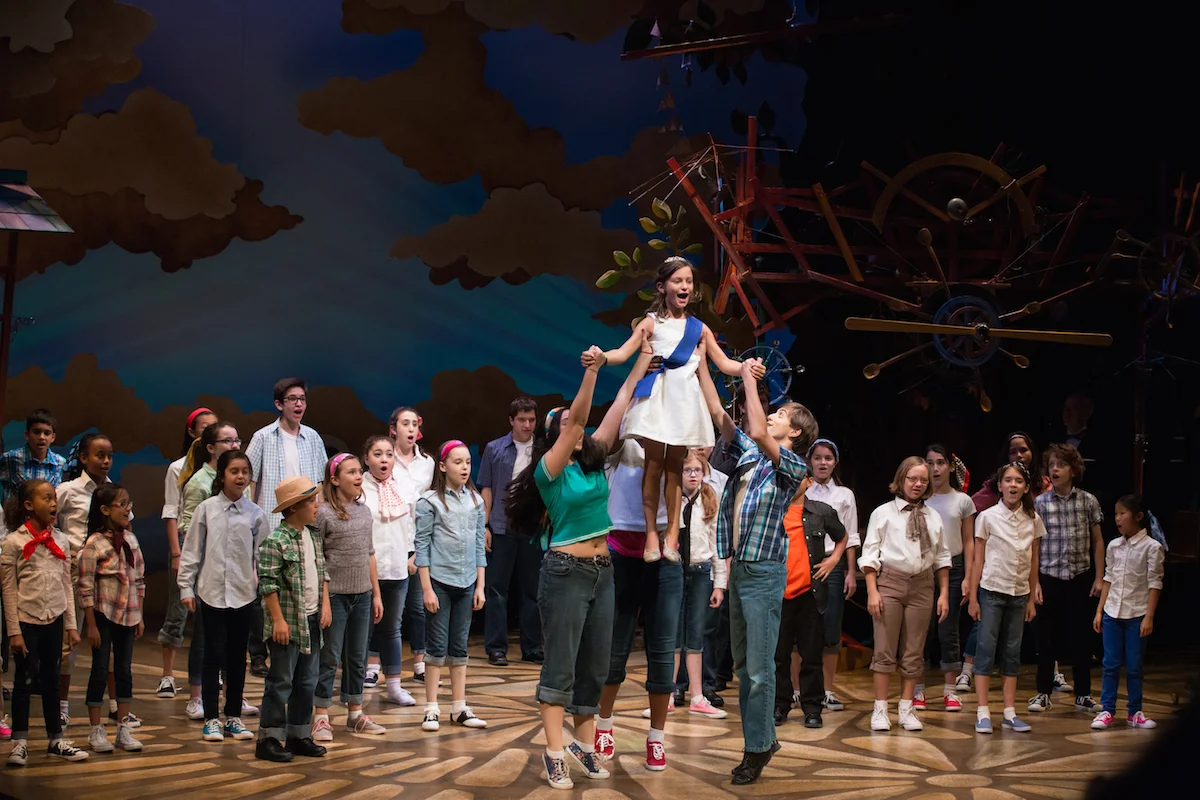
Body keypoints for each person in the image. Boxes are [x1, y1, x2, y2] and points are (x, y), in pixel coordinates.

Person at [506, 342, 651, 790]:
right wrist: (592, 372)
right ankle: (554, 752)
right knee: (561, 667)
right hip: (565, 572)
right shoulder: (549, 472)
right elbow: (579, 422)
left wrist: (642, 360)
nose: (579, 428)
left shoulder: (592, 465)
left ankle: (584, 747)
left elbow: (621, 401)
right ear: (556, 434)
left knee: (595, 666)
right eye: (568, 424)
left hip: (603, 572)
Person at [598, 257, 765, 564]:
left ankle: (672, 534)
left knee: (675, 466)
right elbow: (622, 352)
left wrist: (747, 366)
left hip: (685, 403)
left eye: (688, 281)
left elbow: (724, 363)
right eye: (678, 281)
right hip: (656, 400)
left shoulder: (699, 329)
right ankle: (652, 533)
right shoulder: (651, 323)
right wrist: (601, 358)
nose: (685, 286)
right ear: (662, 287)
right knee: (653, 464)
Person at [704, 357, 814, 785]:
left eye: (781, 414)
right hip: (741, 569)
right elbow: (721, 416)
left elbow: (757, 430)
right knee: (743, 665)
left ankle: (758, 746)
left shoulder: (794, 466)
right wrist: (699, 360)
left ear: (795, 432)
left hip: (764, 572)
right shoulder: (751, 455)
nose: (773, 415)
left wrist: (750, 381)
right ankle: (762, 739)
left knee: (759, 669)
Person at [595, 434, 680, 767]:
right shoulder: (626, 440)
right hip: (621, 551)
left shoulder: (674, 436)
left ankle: (657, 738)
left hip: (665, 554)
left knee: (662, 648)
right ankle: (604, 725)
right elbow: (606, 439)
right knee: (615, 646)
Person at [178, 450, 268, 744]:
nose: (240, 477)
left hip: (243, 595)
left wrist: (265, 590)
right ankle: (211, 719)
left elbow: (262, 556)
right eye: (234, 471)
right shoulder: (206, 509)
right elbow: (192, 551)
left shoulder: (255, 514)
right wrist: (186, 587)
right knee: (212, 656)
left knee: (236, 657)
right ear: (222, 475)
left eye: (245, 472)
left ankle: (233, 716)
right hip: (211, 593)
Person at [0, 479, 89, 765]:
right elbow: (8, 591)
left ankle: (55, 739)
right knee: (24, 681)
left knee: (52, 679)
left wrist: (71, 625)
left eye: (54, 498)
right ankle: (20, 741)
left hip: (54, 619)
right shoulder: (13, 543)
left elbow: (66, 586)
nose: (53, 503)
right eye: (46, 498)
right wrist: (14, 632)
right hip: (27, 621)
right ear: (29, 505)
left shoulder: (61, 540)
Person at [861, 456, 951, 733]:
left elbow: (942, 557)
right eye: (912, 478)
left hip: (922, 585)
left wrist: (943, 594)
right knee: (884, 648)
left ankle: (906, 708)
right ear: (901, 480)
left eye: (923, 480)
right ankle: (880, 709)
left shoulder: (932, 516)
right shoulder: (883, 513)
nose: (918, 484)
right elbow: (870, 554)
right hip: (890, 582)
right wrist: (872, 591)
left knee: (914, 650)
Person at [160, 420, 243, 719]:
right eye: (227, 441)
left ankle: (232, 695)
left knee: (233, 637)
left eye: (237, 441)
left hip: (235, 569)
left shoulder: (237, 480)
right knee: (205, 635)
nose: (234, 446)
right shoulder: (199, 483)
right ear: (210, 447)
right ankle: (196, 696)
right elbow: (189, 530)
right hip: (208, 567)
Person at [245, 378, 326, 677]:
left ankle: (302, 645)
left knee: (300, 582)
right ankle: (258, 652)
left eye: (302, 398)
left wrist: (318, 516)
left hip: (302, 522)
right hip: (271, 521)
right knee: (266, 585)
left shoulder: (312, 437)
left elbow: (319, 482)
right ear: (279, 404)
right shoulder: (263, 437)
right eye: (292, 399)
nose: (299, 404)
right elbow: (250, 480)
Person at [255, 476, 331, 762]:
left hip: (311, 620)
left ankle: (298, 734)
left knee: (306, 681)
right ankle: (269, 738)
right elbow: (268, 583)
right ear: (294, 507)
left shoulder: (313, 536)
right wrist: (278, 620)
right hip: (288, 622)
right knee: (281, 682)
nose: (317, 505)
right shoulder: (276, 541)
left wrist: (325, 605)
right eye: (311, 501)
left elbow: (322, 573)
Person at [415, 440, 488, 732]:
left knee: (459, 646)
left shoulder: (476, 501)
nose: (464, 467)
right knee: (436, 646)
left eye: (468, 462)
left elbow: (480, 546)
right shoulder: (429, 501)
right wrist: (427, 589)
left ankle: (459, 707)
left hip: (467, 582)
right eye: (458, 462)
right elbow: (421, 547)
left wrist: (480, 586)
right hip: (440, 582)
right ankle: (431, 708)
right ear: (443, 466)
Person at [312, 454, 386, 741]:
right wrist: (324, 600)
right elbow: (318, 559)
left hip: (362, 595)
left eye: (359, 472)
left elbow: (369, 554)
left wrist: (376, 594)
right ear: (334, 479)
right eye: (351, 472)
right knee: (329, 656)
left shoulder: (364, 512)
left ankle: (355, 712)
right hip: (335, 596)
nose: (358, 477)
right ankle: (321, 715)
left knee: (357, 656)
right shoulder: (323, 514)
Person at [968, 462, 1044, 735]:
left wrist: (1032, 597)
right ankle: (983, 711)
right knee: (986, 649)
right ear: (999, 485)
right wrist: (973, 597)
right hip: (992, 591)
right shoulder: (987, 517)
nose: (1013, 485)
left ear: (1026, 487)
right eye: (1008, 480)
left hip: (1019, 594)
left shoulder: (1033, 519)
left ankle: (1010, 712)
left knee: (1012, 652)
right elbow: (978, 560)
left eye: (1018, 481)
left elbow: (1033, 560)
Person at [1029, 442, 1105, 714]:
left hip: (1079, 577)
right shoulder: (1040, 503)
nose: (1055, 469)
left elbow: (1097, 541)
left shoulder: (1087, 501)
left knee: (1082, 639)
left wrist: (1099, 577)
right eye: (1051, 465)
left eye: (1061, 465)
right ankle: (1043, 693)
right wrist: (1034, 582)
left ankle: (1083, 693)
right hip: (1049, 576)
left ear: (1073, 470)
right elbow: (1034, 545)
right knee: (1046, 639)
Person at [365, 407, 436, 689]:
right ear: (393, 429)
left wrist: (418, 551)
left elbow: (423, 510)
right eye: (405, 423)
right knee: (377, 609)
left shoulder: (427, 463)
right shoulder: (379, 466)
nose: (410, 428)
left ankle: (419, 664)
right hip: (382, 546)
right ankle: (372, 666)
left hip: (411, 543)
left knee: (416, 608)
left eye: (414, 424)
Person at [775, 474, 846, 729]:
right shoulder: (774, 510)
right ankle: (780, 705)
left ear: (809, 481)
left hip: (810, 594)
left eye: (798, 477)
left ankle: (813, 708)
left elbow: (842, 536)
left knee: (812, 655)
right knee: (779, 656)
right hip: (779, 593)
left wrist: (833, 560)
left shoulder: (821, 511)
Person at [80, 483, 146, 754]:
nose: (128, 509)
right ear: (105, 510)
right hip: (103, 615)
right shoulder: (94, 543)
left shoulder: (131, 540)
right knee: (99, 670)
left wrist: (140, 615)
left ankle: (123, 729)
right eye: (122, 504)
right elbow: (85, 586)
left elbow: (139, 580)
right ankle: (95, 730)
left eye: (129, 503)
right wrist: (91, 625)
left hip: (128, 615)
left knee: (124, 671)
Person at [55, 433, 115, 728]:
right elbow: (48, 520)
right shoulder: (68, 490)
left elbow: (122, 526)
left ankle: (115, 706)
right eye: (99, 455)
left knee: (110, 640)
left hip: (106, 573)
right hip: (74, 571)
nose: (105, 461)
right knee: (70, 639)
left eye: (109, 456)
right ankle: (61, 705)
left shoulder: (112, 491)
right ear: (83, 458)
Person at [478, 397, 543, 666]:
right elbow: (487, 488)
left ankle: (533, 647)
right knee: (497, 589)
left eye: (531, 420)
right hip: (501, 526)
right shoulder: (494, 449)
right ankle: (496, 648)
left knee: (532, 590)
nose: (527, 425)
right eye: (522, 420)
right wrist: (484, 526)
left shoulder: (543, 450)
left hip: (532, 528)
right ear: (511, 420)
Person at [1091, 494, 1164, 730]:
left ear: (1138, 516)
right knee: (1110, 663)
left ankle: (1135, 712)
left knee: (1134, 666)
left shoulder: (1152, 548)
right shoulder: (1114, 546)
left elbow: (1155, 583)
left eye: (1123, 513)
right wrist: (1100, 611)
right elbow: (1108, 578)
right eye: (1116, 514)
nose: (1118, 518)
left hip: (1137, 614)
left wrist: (1149, 617)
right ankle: (1107, 709)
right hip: (1112, 612)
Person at [157, 408, 216, 699]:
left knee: (212, 614)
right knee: (178, 609)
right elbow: (171, 511)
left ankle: (211, 675)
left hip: (214, 545)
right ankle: (168, 675)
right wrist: (176, 553)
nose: (209, 432)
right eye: (204, 427)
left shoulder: (220, 468)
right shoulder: (178, 468)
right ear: (192, 432)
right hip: (186, 541)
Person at [916, 444, 976, 712]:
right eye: (930, 463)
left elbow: (969, 541)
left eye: (940, 462)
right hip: (923, 567)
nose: (935, 468)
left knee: (947, 628)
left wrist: (968, 577)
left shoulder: (962, 501)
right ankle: (917, 690)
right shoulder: (920, 499)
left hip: (953, 567)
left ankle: (950, 691)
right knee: (921, 630)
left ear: (951, 466)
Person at [803, 438, 860, 712]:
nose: (822, 463)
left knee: (830, 627)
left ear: (835, 462)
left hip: (832, 563)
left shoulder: (844, 495)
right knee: (799, 627)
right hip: (804, 562)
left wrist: (851, 572)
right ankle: (796, 690)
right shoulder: (802, 490)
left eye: (828, 458)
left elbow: (850, 536)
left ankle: (826, 690)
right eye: (817, 458)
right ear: (810, 461)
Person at [360, 434, 417, 706]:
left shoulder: (404, 486)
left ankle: (394, 686)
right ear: (366, 458)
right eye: (377, 454)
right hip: (365, 570)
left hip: (396, 569)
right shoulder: (360, 488)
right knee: (363, 630)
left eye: (389, 454)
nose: (384, 460)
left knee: (393, 628)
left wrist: (413, 553)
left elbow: (413, 523)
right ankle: (357, 683)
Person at [673, 450, 727, 719]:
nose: (693, 475)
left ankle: (697, 695)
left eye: (697, 470)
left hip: (700, 571)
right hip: (674, 571)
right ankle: (668, 693)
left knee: (696, 635)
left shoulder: (708, 500)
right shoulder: (671, 499)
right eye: (687, 470)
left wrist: (720, 584)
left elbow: (717, 545)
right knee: (673, 635)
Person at [0, 409, 65, 503]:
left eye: (46, 433)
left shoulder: (60, 463)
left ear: (53, 437)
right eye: (36, 432)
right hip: (16, 512)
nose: (41, 437)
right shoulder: (10, 459)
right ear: (27, 435)